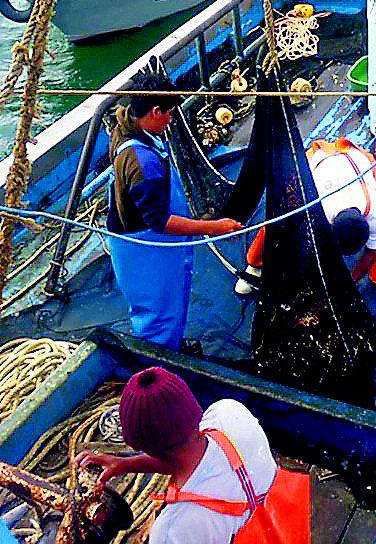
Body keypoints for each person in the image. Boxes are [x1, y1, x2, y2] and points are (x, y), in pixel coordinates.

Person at [76, 367, 310, 544]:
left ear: (144, 446)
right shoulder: (229, 413)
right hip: (287, 524)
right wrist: (127, 465)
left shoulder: (174, 529)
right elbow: (189, 458)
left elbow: (180, 461)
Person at [107, 71, 243, 349]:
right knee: (158, 312)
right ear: (155, 111)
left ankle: (171, 347)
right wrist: (213, 228)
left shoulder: (130, 128)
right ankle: (160, 363)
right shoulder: (143, 164)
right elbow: (160, 222)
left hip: (154, 243)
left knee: (170, 303)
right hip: (146, 248)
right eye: (168, 113)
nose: (170, 119)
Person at [237, 137, 376, 308]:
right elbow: (302, 247)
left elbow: (371, 253)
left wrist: (349, 282)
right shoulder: (312, 205)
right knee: (279, 217)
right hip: (319, 160)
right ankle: (256, 266)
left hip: (359, 162)